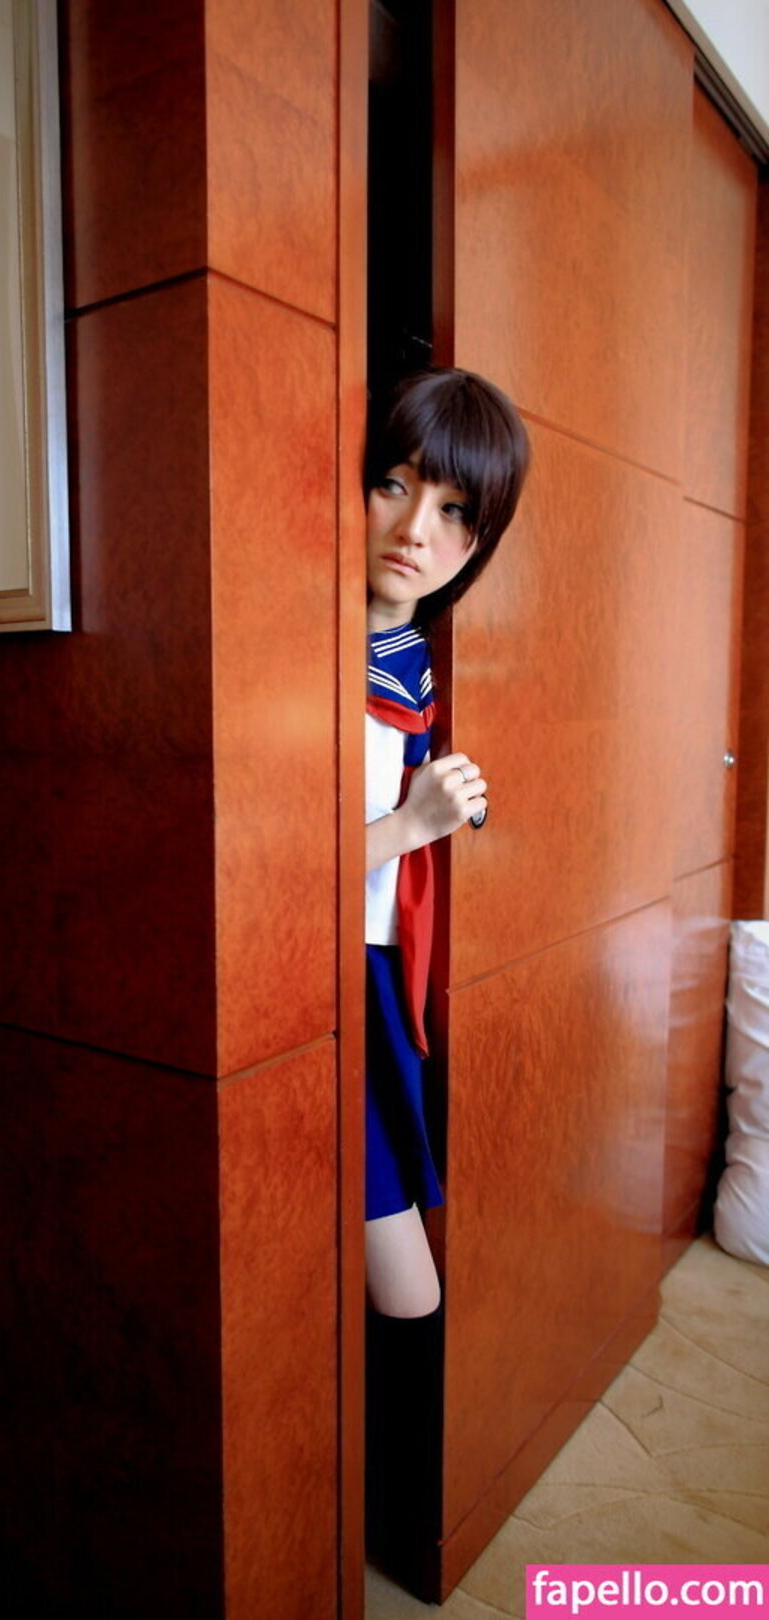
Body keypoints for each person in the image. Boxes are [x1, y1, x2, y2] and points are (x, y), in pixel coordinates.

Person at [364, 367, 530, 1320]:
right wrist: (409, 825)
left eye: (454, 508)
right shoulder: (304, 656)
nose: (415, 528)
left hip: (388, 976)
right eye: (393, 484)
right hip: (328, 983)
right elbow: (262, 874)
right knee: (409, 1293)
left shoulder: (412, 660)